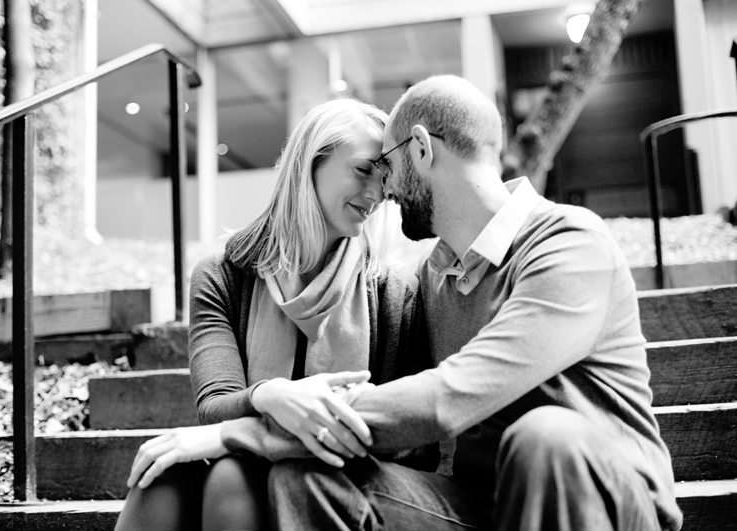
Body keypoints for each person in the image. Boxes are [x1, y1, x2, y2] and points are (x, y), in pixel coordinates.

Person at [254, 75, 684, 530]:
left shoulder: (569, 243)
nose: (384, 191)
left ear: (420, 149)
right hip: (484, 509)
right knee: (307, 478)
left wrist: (245, 432)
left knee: (545, 437)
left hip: (603, 501)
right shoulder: (432, 277)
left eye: (388, 165)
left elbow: (449, 397)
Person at [114, 97, 434, 531]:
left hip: (340, 477)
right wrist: (268, 395)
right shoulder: (221, 276)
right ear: (308, 165)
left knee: (229, 475)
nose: (377, 194)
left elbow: (413, 442)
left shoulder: (392, 291)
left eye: (384, 177)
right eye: (363, 170)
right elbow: (215, 406)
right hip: (244, 460)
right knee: (165, 472)